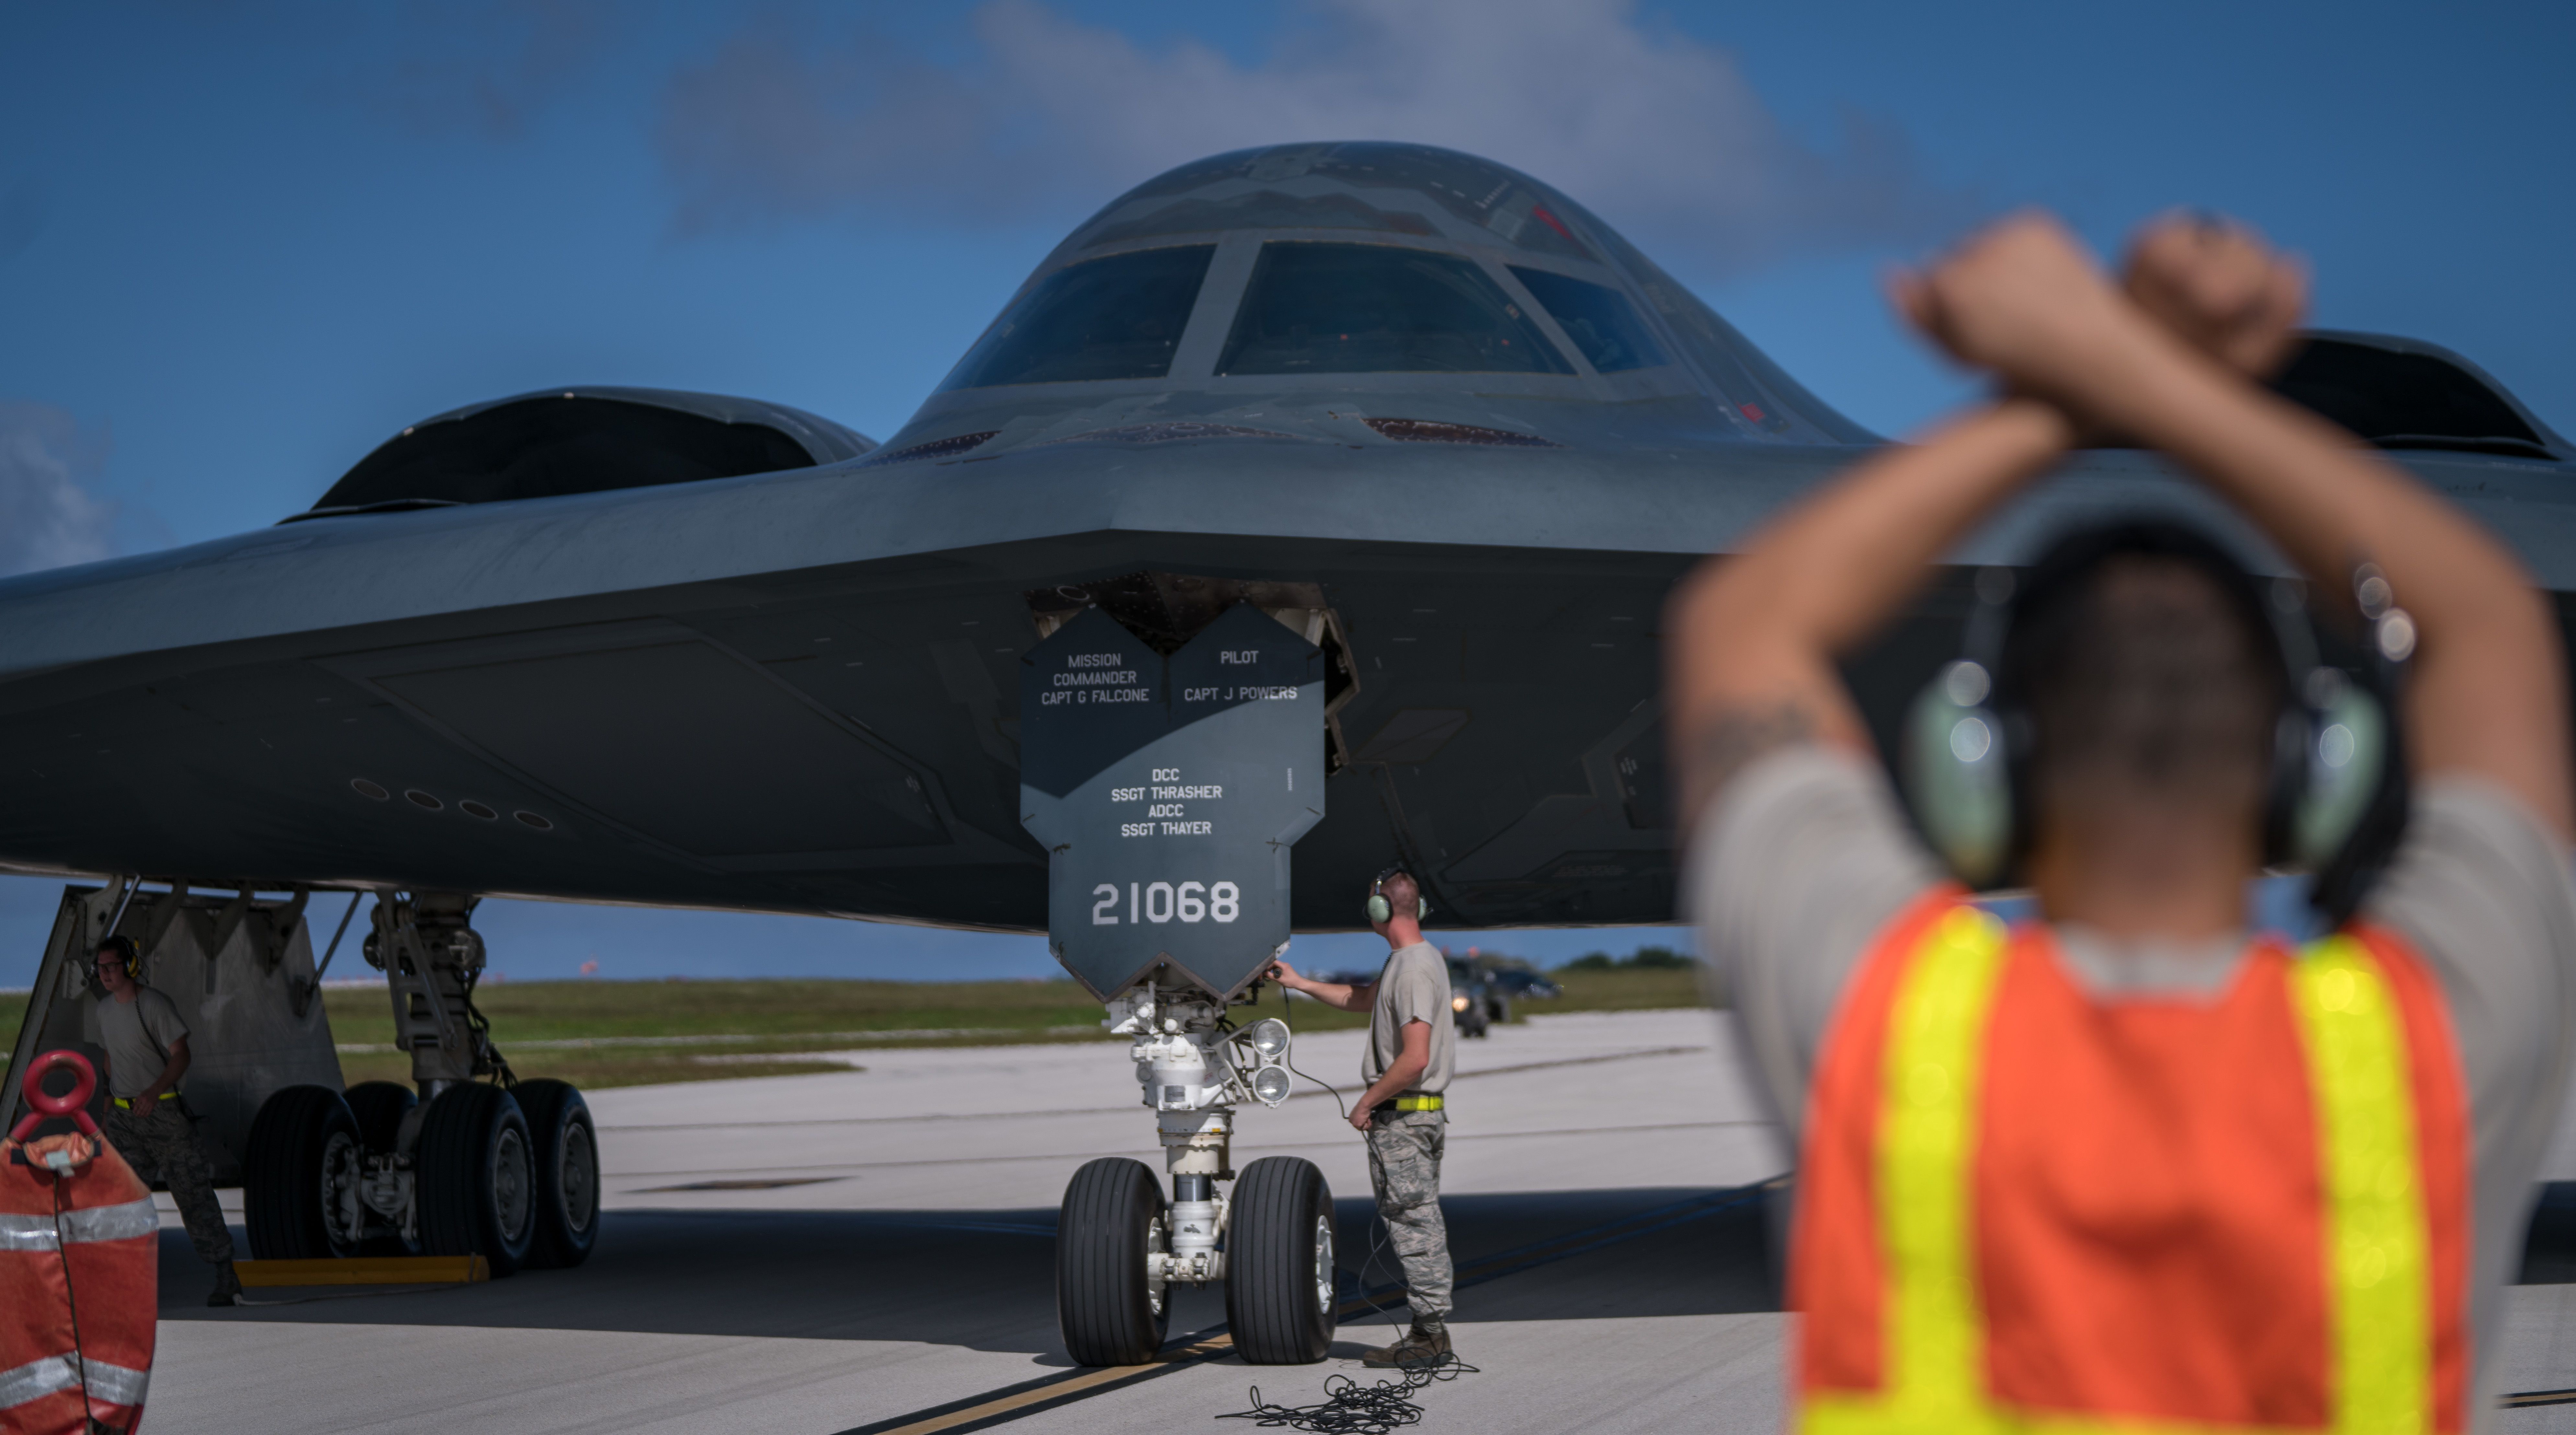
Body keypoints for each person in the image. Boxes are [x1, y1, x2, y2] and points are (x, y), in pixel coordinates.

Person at [1669, 210, 2576, 1428]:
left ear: (1980, 766)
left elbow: (1742, 623)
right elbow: (2488, 625)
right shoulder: (2420, 1050)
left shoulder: (1899, 1027)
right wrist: (2143, 370)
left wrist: (2064, 384)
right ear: (2310, 769)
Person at [1267, 867, 1458, 1369]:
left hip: (1405, 1118)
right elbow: (1364, 999)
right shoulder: (1410, 961)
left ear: (1381, 909)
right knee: (1415, 1220)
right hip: (1414, 1116)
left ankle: (1431, 1336)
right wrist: (1299, 982)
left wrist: (1367, 1101)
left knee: (1416, 1225)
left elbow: (1415, 1057)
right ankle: (1428, 1331)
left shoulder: (1413, 969)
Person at [93, 934, 243, 1307]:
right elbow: (110, 1058)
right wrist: (108, 1106)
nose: (105, 974)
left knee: (193, 1196)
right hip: (125, 1119)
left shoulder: (154, 1005)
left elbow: (181, 1054)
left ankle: (226, 1273)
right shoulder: (104, 1010)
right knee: (121, 1200)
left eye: (112, 966)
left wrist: (154, 1090)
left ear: (130, 966)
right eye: (100, 967)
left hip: (163, 1115)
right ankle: (119, 1282)